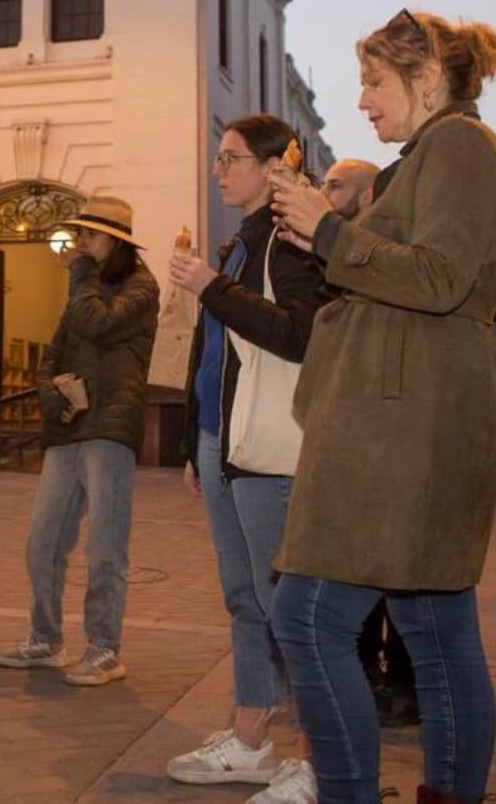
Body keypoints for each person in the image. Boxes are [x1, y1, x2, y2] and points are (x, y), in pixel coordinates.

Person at [268, 10, 496, 804]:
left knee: (308, 618)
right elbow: (410, 271)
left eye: (377, 82)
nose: (365, 101)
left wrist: (332, 234)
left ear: (427, 79)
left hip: (404, 428)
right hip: (414, 417)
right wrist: (326, 231)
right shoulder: (436, 154)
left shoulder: (456, 146)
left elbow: (441, 277)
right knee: (437, 637)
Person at [163, 115, 328, 803]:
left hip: (269, 448)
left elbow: (297, 336)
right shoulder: (239, 243)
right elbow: (211, 355)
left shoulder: (292, 242)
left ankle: (319, 756)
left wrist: (209, 286)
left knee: (290, 609)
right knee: (244, 600)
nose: (219, 170)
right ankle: (252, 739)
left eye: (231, 159)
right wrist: (195, 444)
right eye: (217, 159)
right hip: (223, 441)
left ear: (272, 167)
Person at [0, 194, 158, 687]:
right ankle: (46, 639)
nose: (79, 243)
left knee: (106, 548)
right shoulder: (83, 288)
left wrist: (80, 274)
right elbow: (53, 353)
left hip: (111, 426)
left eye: (89, 235)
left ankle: (105, 648)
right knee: (43, 541)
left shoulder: (141, 287)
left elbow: (97, 323)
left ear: (116, 241)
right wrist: (50, 395)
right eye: (79, 235)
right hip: (69, 428)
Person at [320, 158, 418, 730]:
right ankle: (365, 676)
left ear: (366, 195)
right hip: (348, 429)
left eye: (335, 186)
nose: (323, 192)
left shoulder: (377, 251)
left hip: (385, 432)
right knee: (356, 566)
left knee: (396, 572)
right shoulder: (331, 253)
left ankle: (405, 685)